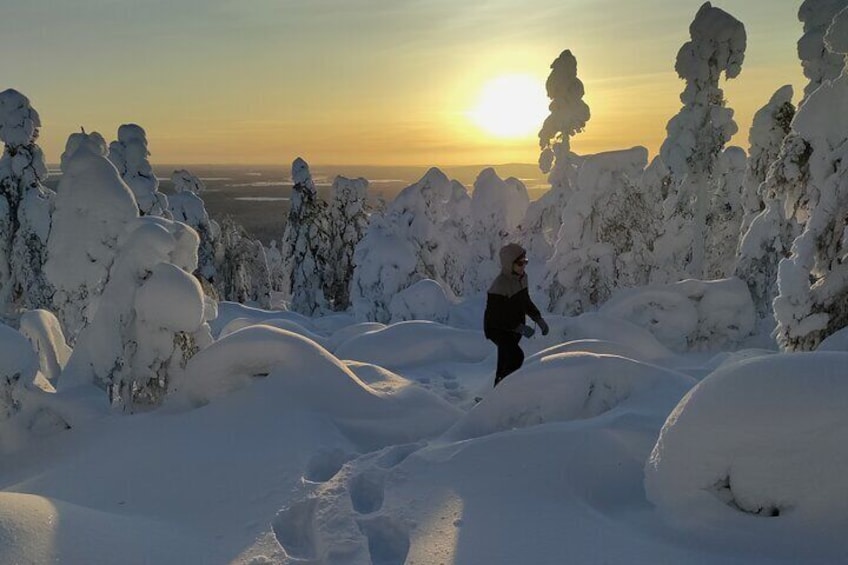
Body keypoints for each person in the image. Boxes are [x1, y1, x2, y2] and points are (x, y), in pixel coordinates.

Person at [483, 243, 549, 387]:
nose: (523, 266)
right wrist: (519, 328)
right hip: (497, 329)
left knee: (504, 362)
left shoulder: (522, 278)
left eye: (525, 261)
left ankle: (497, 394)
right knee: (515, 357)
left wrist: (538, 318)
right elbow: (496, 318)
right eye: (520, 263)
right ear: (509, 264)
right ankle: (505, 391)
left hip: (514, 328)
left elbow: (525, 301)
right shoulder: (500, 285)